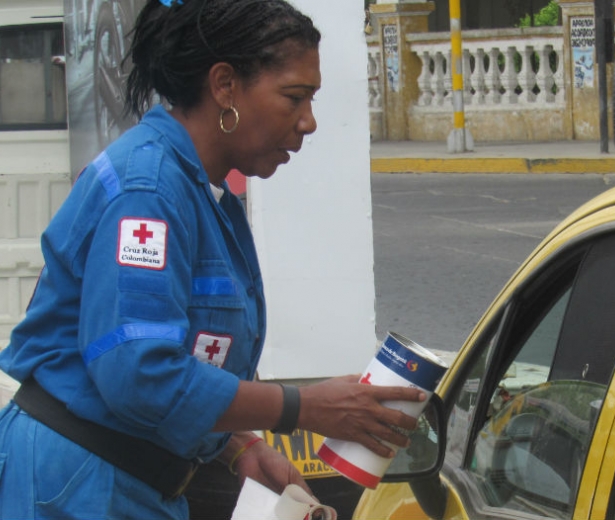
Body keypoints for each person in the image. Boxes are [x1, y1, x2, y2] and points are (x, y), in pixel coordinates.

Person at [0, 0, 425, 518]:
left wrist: (236, 445)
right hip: (83, 486)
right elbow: (138, 375)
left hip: (126, 481)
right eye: (295, 97)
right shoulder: (149, 192)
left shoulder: (203, 193)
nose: (309, 123)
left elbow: (178, 360)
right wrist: (303, 408)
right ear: (225, 86)